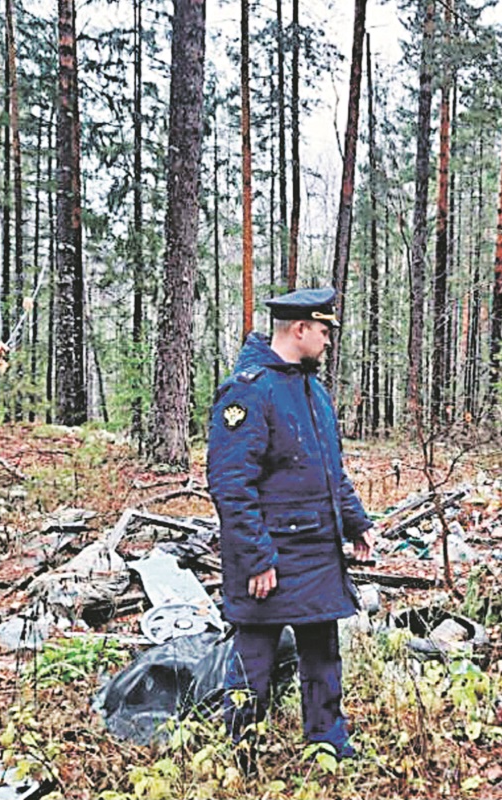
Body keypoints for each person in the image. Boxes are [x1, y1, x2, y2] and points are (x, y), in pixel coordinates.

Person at [207, 286, 375, 763]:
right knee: (253, 661)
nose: (327, 341)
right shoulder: (249, 390)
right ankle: (242, 754)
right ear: (299, 329)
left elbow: (328, 470)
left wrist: (356, 522)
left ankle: (328, 742)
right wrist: (257, 559)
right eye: (323, 331)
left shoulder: (312, 391)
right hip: (269, 560)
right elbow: (230, 484)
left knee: (323, 657)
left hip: (317, 555)